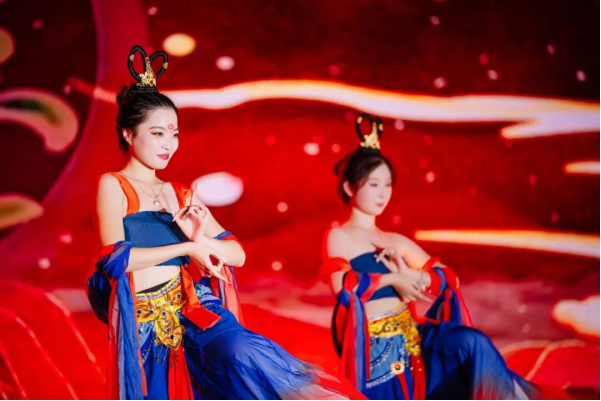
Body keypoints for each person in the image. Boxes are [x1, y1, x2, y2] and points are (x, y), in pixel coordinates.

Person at [87, 45, 364, 401]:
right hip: (144, 327)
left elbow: (237, 253)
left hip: (193, 310)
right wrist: (189, 247)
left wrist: (202, 241)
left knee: (245, 356)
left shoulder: (181, 193)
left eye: (174, 134)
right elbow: (116, 259)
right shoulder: (113, 185)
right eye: (158, 133)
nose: (169, 144)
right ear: (128, 133)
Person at [320, 114, 569, 400]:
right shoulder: (340, 236)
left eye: (388, 184)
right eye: (374, 184)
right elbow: (343, 287)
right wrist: (393, 279)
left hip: (414, 338)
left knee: (472, 343)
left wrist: (415, 276)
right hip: (379, 354)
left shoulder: (396, 241)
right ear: (350, 188)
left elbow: (449, 278)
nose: (383, 193)